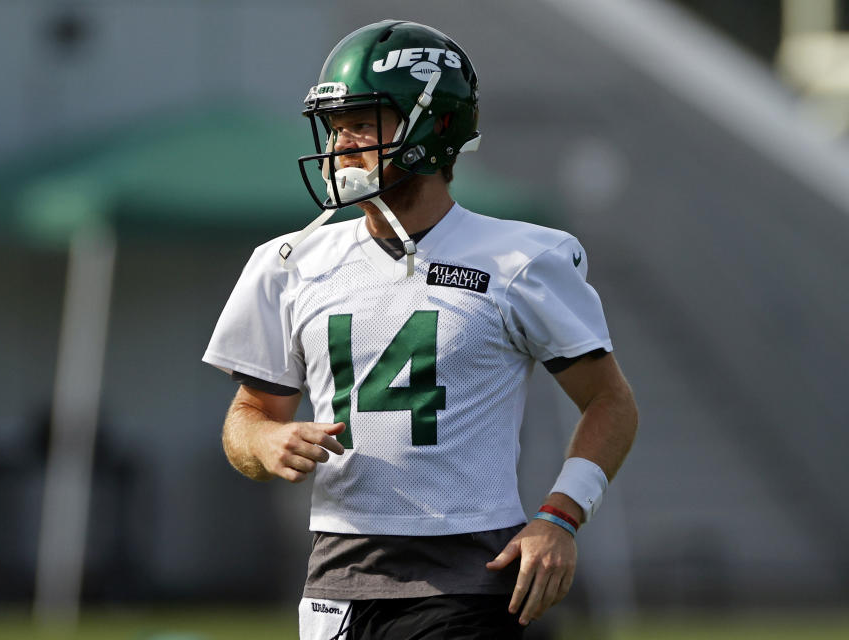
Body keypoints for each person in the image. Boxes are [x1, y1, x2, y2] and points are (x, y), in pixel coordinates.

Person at [204, 19, 638, 640]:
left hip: (466, 572)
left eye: (362, 123)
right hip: (336, 574)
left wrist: (560, 516)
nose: (341, 144)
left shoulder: (519, 260)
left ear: (434, 128)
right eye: (335, 126)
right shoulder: (289, 263)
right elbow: (247, 416)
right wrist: (266, 444)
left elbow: (610, 402)